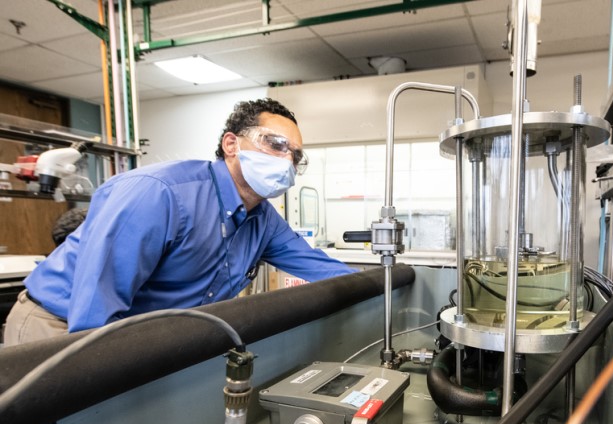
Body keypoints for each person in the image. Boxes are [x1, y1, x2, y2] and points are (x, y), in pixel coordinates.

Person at [3, 98, 355, 346]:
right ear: (231, 144)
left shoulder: (263, 220)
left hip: (137, 332)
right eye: (275, 144)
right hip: (59, 326)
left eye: (295, 155)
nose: (287, 160)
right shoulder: (160, 194)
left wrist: (379, 284)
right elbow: (95, 310)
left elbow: (323, 269)